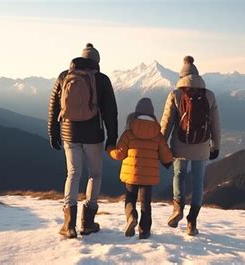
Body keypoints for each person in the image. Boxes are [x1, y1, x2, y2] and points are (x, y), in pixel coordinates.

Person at [48, 43, 118, 239]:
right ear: (96, 61)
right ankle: (87, 223)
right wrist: (112, 138)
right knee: (94, 175)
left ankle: (68, 225)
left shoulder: (64, 76)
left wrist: (53, 132)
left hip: (69, 133)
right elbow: (110, 112)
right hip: (94, 134)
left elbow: (53, 105)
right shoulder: (101, 79)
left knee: (73, 174)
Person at [160, 56, 221, 236]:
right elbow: (216, 124)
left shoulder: (175, 94)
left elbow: (166, 123)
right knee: (198, 182)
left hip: (180, 144)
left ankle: (178, 208)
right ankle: (192, 221)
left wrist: (161, 146)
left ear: (181, 76)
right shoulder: (209, 95)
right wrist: (215, 146)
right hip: (202, 146)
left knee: (179, 175)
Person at [108, 98, 173, 239]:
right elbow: (167, 157)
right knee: (146, 204)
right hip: (148, 176)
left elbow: (119, 154)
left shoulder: (128, 133)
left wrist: (110, 150)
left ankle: (131, 216)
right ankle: (145, 232)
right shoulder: (158, 135)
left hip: (131, 174)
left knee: (130, 199)